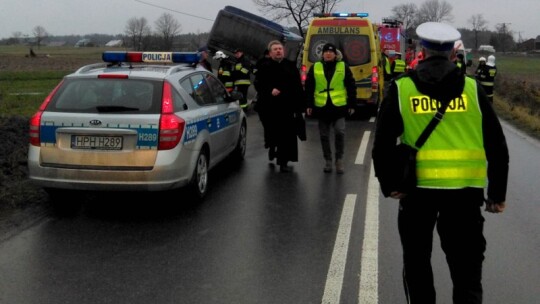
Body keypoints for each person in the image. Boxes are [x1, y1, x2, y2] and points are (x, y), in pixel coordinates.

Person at [372, 22, 509, 304]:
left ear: (422, 49)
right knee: (467, 271)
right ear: (452, 52)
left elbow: (382, 144)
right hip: (465, 194)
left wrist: (389, 184)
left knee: (417, 263)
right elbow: (497, 145)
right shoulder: (472, 89)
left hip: (417, 192)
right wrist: (497, 194)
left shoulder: (401, 89)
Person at [254, 40, 305, 172]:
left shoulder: (290, 66)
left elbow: (298, 87)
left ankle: (283, 162)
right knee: (273, 132)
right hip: (270, 106)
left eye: (280, 49)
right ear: (270, 53)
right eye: (275, 49)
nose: (278, 51)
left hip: (287, 106)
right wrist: (270, 90)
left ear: (284, 51)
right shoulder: (264, 66)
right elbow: (258, 84)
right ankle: (272, 146)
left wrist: (300, 106)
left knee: (287, 135)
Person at [305, 43, 356, 174]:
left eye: (331, 52)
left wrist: (351, 104)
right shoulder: (315, 67)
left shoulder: (343, 66)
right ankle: (328, 160)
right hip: (322, 107)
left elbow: (351, 85)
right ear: (322, 54)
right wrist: (309, 104)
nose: (328, 54)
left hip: (338, 107)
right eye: (325, 51)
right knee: (324, 135)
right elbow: (309, 87)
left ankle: (339, 160)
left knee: (340, 131)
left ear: (335, 54)